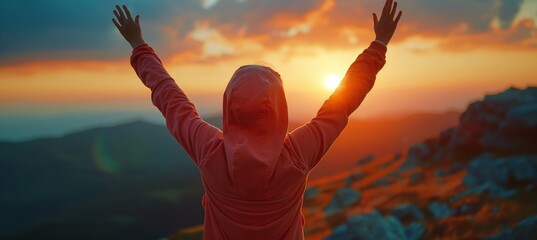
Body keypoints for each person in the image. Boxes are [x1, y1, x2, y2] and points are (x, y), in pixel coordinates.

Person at [113, 1, 401, 239]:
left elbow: (170, 99)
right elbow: (342, 103)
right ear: (280, 106)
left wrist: (138, 44)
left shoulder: (210, 151)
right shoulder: (298, 155)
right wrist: (378, 44)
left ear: (230, 104)